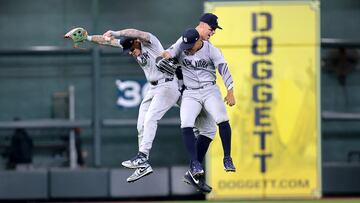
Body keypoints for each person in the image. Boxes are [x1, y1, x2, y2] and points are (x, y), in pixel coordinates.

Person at [65, 27, 181, 182]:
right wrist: (88, 38)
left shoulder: (149, 42)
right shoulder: (130, 44)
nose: (130, 52)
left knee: (151, 119)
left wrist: (118, 33)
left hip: (167, 84)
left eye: (131, 49)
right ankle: (143, 165)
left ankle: (142, 156)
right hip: (154, 88)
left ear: (136, 42)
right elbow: (109, 42)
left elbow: (138, 33)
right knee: (141, 125)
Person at [162, 13, 235, 193]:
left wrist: (230, 90)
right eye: (212, 29)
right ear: (202, 26)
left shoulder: (211, 49)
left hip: (209, 90)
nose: (213, 32)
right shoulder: (185, 40)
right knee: (186, 123)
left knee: (215, 124)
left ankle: (223, 159)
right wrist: (163, 58)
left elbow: (223, 68)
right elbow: (169, 53)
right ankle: (194, 165)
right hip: (190, 92)